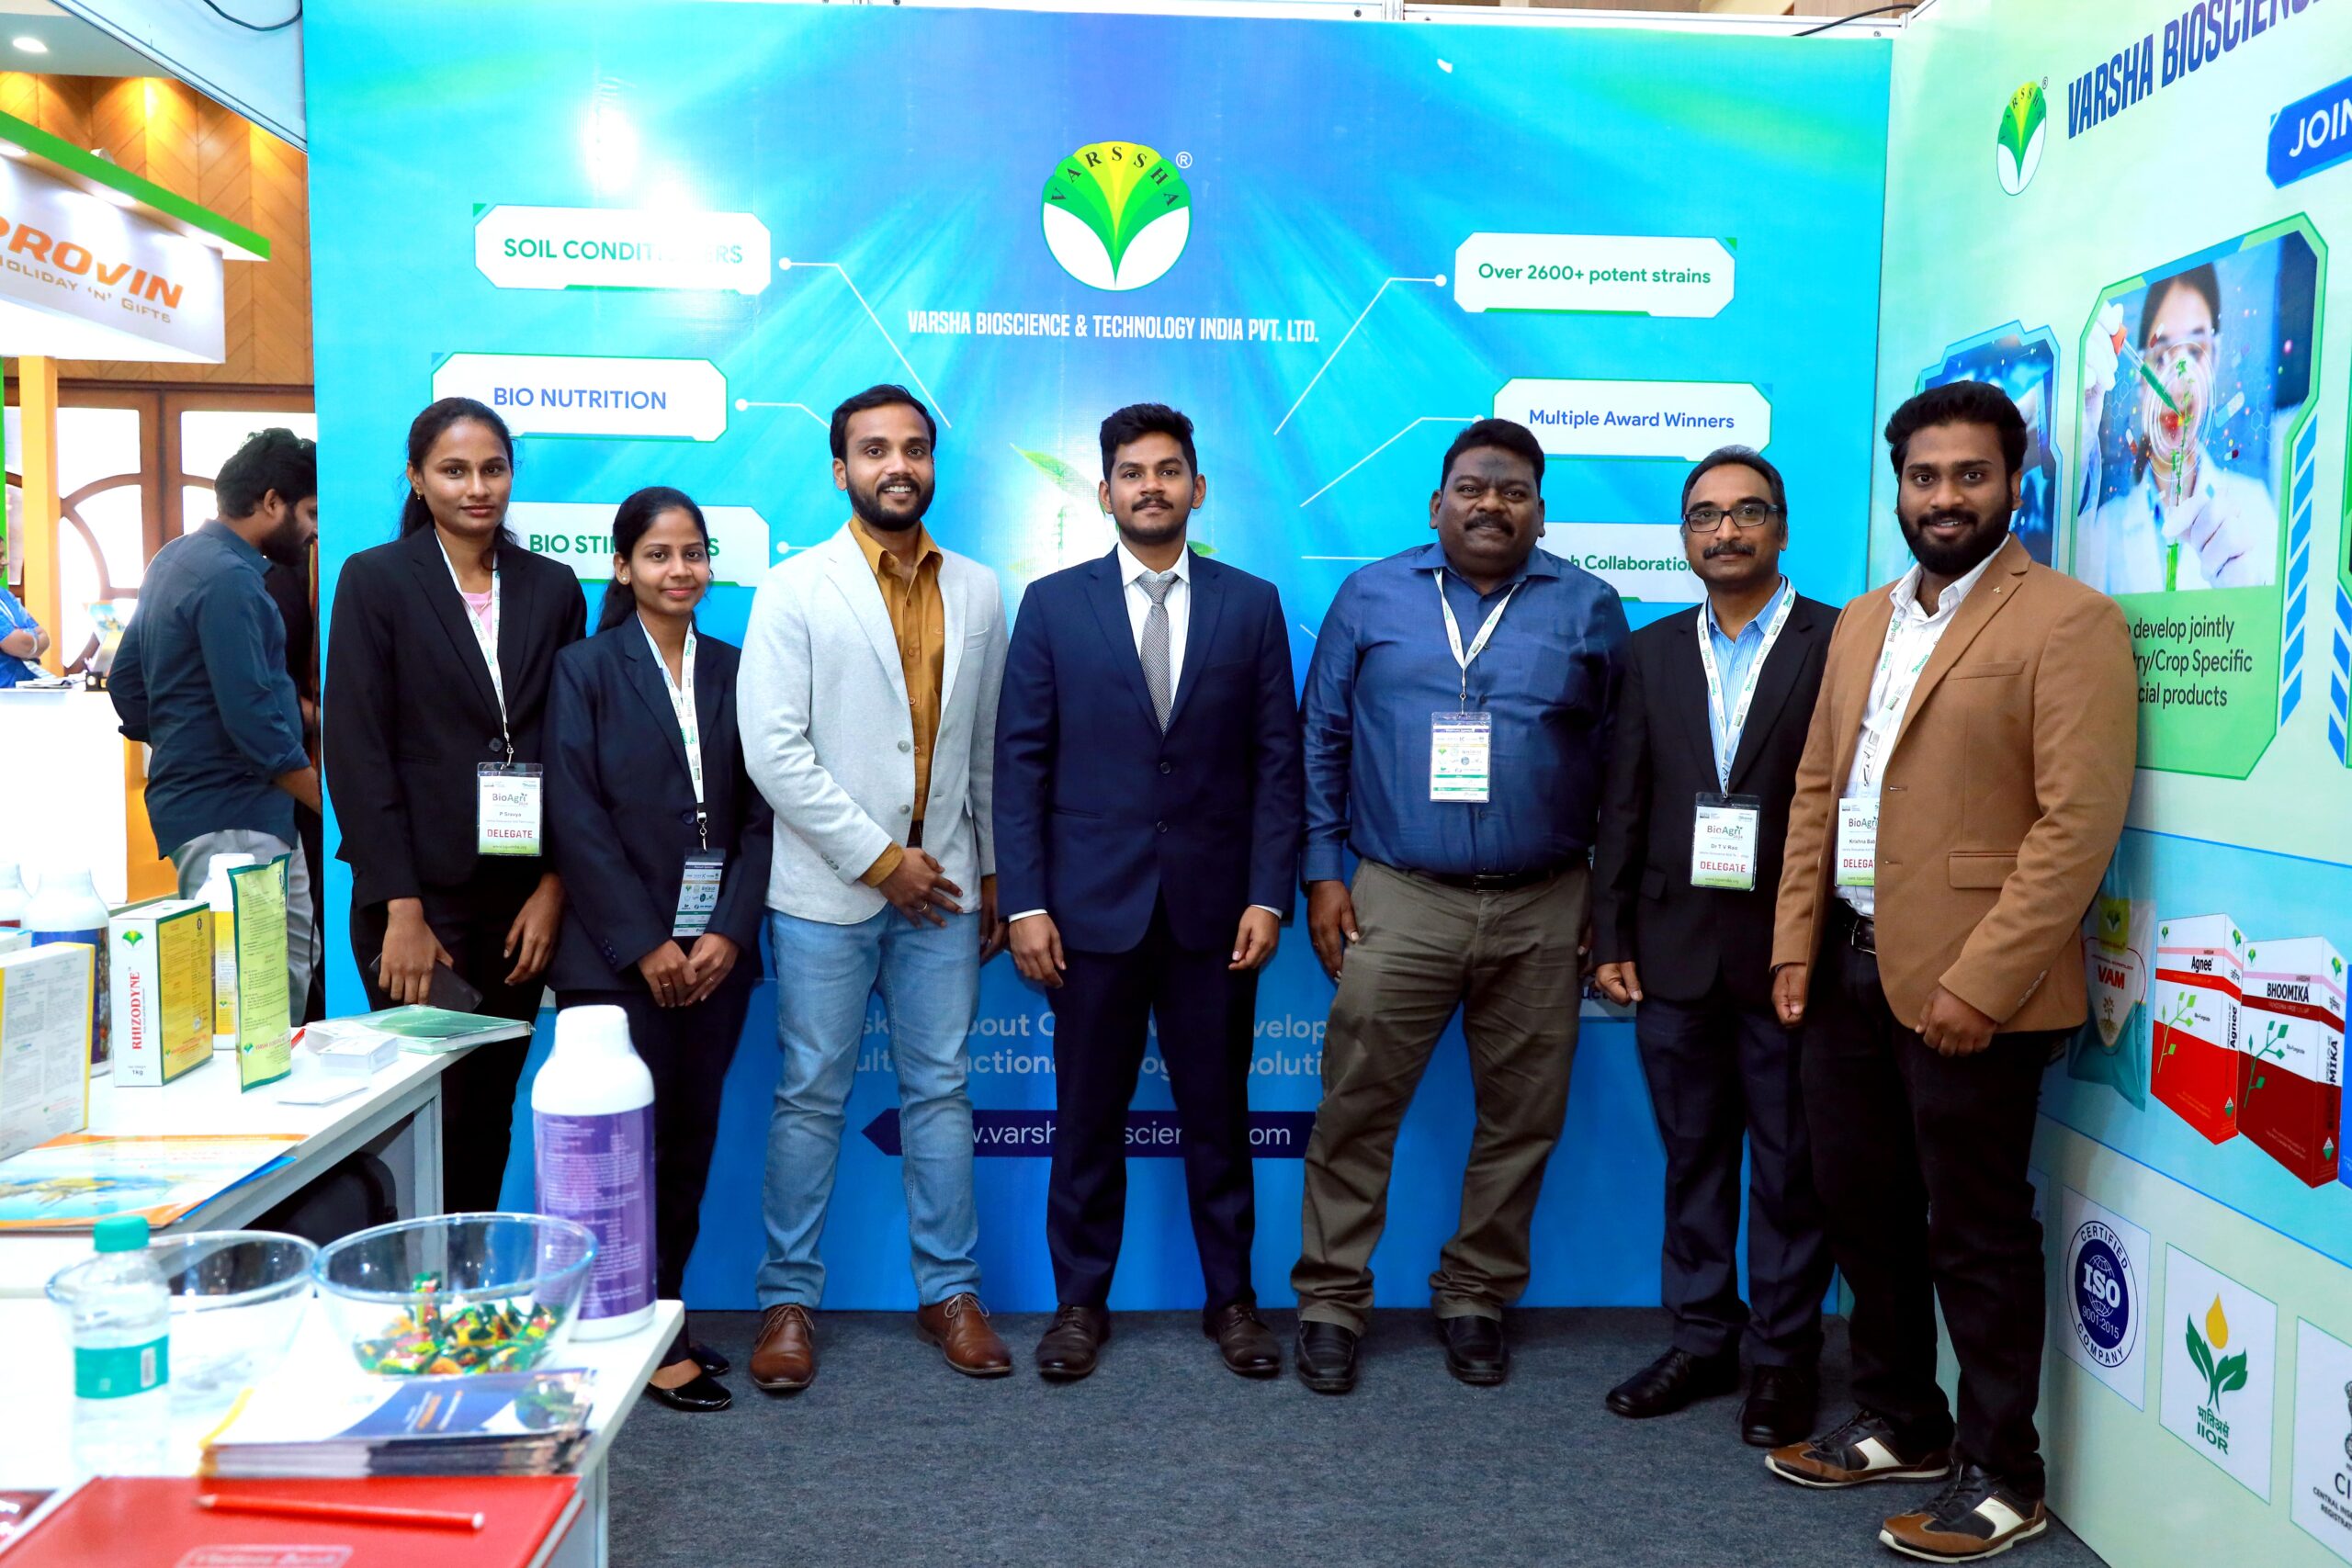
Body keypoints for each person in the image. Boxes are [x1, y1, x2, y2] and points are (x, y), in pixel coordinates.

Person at [1766, 382, 2135, 1562]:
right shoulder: (1861, 622)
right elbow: (1818, 788)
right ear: (1898, 489)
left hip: (1972, 990)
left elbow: (2074, 827)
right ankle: (1900, 1419)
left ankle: (2002, 1473)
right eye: (1923, 478)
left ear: (2012, 483)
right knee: (1862, 1210)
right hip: (1847, 968)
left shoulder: (2068, 621)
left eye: (1969, 475)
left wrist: (1982, 983)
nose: (1944, 498)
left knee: (1973, 1233)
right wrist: (1793, 943)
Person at [1291, 417, 1628, 1394]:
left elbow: (1623, 766)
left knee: (1523, 1117)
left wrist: (1605, 898)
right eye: (1473, 489)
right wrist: (1321, 874)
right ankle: (1330, 1300)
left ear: (1540, 511)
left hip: (1545, 903)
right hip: (1398, 897)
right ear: (1436, 503)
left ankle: (1476, 1292)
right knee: (1356, 1109)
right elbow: (1320, 738)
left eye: (1513, 491)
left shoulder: (1589, 605)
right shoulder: (1371, 595)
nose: (1491, 505)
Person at [995, 403, 1304, 1382]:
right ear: (1104, 493)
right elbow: (1019, 764)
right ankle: (1078, 1305)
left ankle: (1233, 1303)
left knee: (1219, 1118)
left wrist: (1269, 895)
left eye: (1169, 470)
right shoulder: (1052, 605)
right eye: (1132, 473)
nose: (1151, 487)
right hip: (1088, 918)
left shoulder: (1251, 605)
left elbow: (1278, 765)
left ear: (1197, 488)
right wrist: (1025, 904)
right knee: (1087, 1120)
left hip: (1217, 917)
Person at [739, 384, 1012, 1389]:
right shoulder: (793, 587)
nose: (898, 465)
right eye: (874, 449)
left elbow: (983, 746)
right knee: (812, 1095)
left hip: (946, 894)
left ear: (932, 462)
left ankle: (951, 1293)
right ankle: (786, 1303)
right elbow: (774, 751)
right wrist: (880, 860)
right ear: (840, 469)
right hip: (828, 892)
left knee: (941, 1091)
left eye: (914, 448)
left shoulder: (978, 589)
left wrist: (992, 866)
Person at [1590, 446, 1834, 1449]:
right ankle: (1701, 1339)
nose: (1725, 531)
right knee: (1692, 1158)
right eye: (1704, 516)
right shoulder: (1648, 651)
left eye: (1746, 512)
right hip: (1672, 948)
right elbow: (1623, 797)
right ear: (1684, 536)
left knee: (1790, 1168)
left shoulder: (1840, 640)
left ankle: (1782, 1358)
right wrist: (1610, 931)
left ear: (1781, 527)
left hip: (1792, 954)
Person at [325, 397, 582, 1213]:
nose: (477, 487)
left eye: (493, 469)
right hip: (419, 900)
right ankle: (416, 1273)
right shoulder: (376, 580)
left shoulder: (551, 586)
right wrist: (399, 906)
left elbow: (571, 747)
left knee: (489, 1109)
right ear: (417, 477)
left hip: (519, 899)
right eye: (454, 470)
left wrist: (554, 887)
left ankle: (470, 1271)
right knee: (426, 1110)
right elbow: (357, 751)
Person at [547, 486, 773, 1415]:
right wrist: (646, 943)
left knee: (687, 1145)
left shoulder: (737, 668)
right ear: (623, 567)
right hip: (615, 960)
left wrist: (727, 931)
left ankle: (659, 1319)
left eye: (693, 553)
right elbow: (574, 814)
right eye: (659, 554)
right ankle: (615, 1325)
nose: (681, 570)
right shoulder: (585, 669)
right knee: (617, 1157)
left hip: (715, 956)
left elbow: (760, 816)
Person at [109, 427, 322, 1005]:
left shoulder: (176, 557)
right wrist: (336, 807)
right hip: (238, 816)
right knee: (261, 993)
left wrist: (186, 740)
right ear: (272, 502)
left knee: (238, 987)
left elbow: (127, 684)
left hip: (204, 809)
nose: (314, 531)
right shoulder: (232, 581)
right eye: (309, 513)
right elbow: (256, 725)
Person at [2075, 264, 2274, 594]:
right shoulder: (2102, 529)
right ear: (2141, 378)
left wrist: (2254, 593)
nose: (2178, 385)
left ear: (2215, 360)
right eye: (2160, 357)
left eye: (2195, 351)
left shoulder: (2257, 508)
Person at [0, 581, 49, 686]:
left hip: (27, 687)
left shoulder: (5, 595)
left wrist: (25, 637)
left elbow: (44, 638)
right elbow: (21, 645)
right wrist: (31, 636)